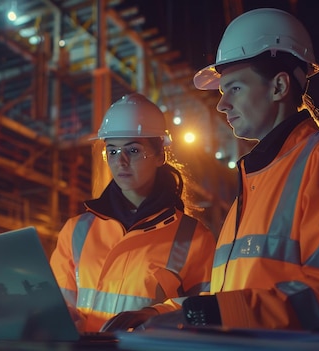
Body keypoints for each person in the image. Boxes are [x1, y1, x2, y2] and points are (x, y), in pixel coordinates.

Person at [102, 8, 319, 344]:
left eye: (235, 88)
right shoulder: (258, 179)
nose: (222, 105)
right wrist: (158, 313)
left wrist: (207, 314)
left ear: (279, 86)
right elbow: (234, 294)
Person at [49, 93, 217, 332]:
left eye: (134, 150)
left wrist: (154, 314)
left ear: (160, 155)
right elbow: (58, 305)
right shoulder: (76, 230)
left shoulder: (195, 238)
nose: (121, 161)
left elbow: (206, 312)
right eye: (113, 151)